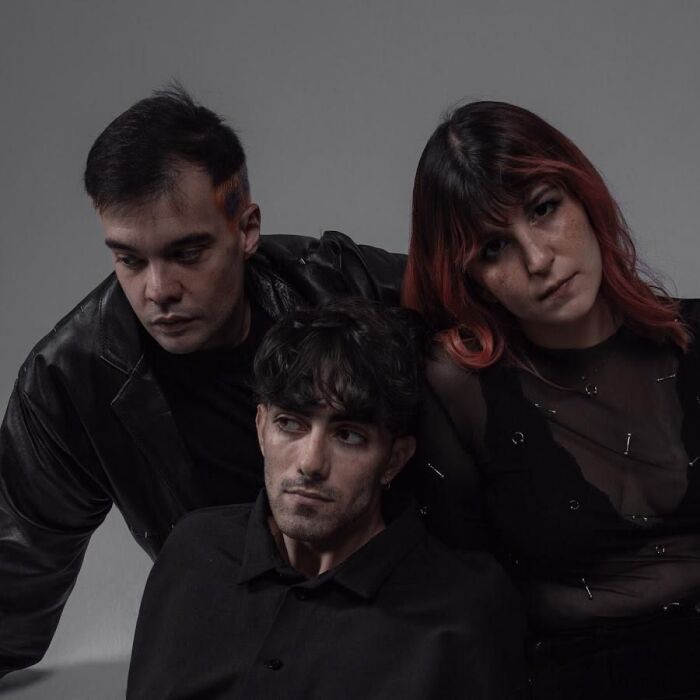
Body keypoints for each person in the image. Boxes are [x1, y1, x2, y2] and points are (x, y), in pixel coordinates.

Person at [0, 86, 404, 676]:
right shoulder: (71, 379)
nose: (158, 291)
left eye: (187, 253)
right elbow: (16, 569)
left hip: (402, 615)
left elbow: (490, 307)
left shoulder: (338, 285)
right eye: (129, 259)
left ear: (246, 229)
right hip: (249, 645)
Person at [403, 101, 700, 699]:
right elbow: (461, 591)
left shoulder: (692, 338)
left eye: (543, 209)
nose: (539, 261)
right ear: (470, 278)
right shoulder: (457, 390)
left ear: (584, 196)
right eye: (493, 249)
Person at [126, 299, 528, 700]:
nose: (310, 463)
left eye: (348, 435)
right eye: (290, 424)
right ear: (262, 428)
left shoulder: (463, 606)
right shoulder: (194, 551)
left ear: (394, 459)